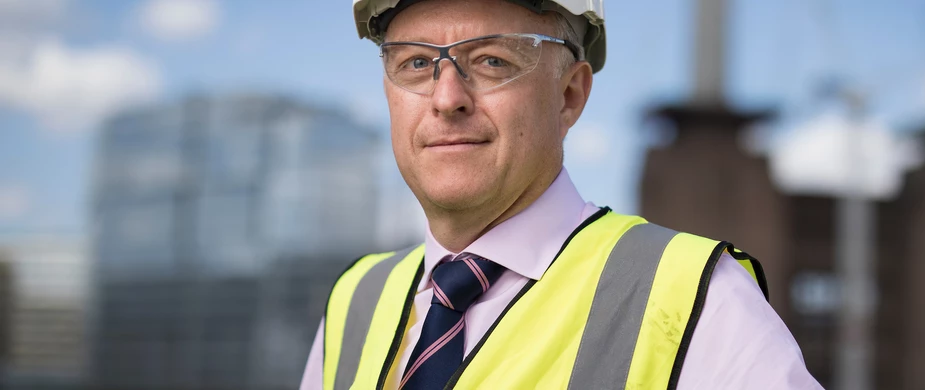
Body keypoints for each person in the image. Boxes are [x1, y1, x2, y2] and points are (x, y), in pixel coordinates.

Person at [300, 0, 824, 388]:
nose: (446, 98)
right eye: (416, 63)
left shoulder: (697, 301)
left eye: (491, 61)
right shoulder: (355, 302)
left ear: (569, 95)